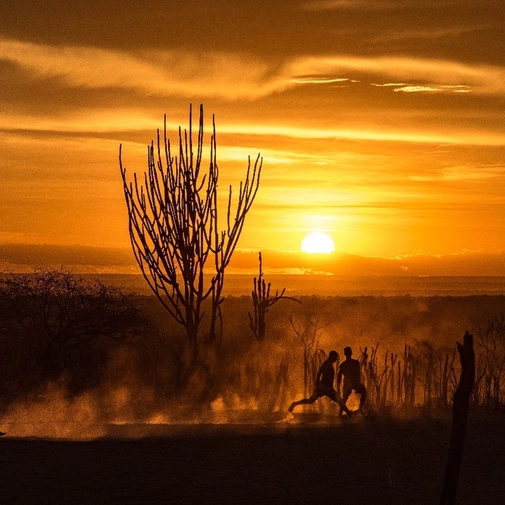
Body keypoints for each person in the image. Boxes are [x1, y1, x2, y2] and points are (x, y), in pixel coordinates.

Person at [288, 350, 352, 416]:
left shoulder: (329, 364)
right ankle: (349, 414)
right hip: (323, 387)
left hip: (328, 388)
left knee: (311, 400)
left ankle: (348, 413)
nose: (336, 359)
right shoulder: (327, 364)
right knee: (311, 401)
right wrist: (317, 381)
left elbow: (320, 373)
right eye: (335, 357)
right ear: (331, 356)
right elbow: (320, 372)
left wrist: (319, 382)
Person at [337, 346, 367, 416]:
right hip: (348, 383)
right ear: (345, 354)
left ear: (351, 353)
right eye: (347, 352)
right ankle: (340, 413)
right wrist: (338, 387)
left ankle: (360, 409)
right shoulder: (343, 365)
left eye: (349, 351)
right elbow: (339, 376)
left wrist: (358, 383)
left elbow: (358, 374)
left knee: (364, 392)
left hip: (354, 382)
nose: (348, 353)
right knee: (344, 398)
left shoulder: (355, 363)